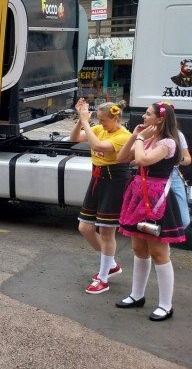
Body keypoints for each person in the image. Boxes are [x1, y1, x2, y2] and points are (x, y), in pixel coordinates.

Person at [116, 101, 186, 321]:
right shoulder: (148, 137)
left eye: (147, 115)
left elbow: (144, 160)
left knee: (159, 252)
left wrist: (139, 139)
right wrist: (135, 135)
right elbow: (122, 159)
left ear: (160, 119)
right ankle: (137, 295)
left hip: (158, 198)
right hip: (140, 195)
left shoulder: (168, 142)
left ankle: (166, 305)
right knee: (138, 247)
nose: (143, 118)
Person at [69, 98, 131, 294]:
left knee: (106, 232)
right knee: (85, 227)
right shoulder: (99, 129)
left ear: (116, 118)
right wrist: (81, 119)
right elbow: (75, 138)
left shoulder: (124, 136)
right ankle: (111, 264)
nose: (101, 123)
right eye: (99, 120)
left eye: (103, 120)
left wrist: (87, 122)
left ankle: (103, 278)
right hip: (97, 178)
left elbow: (99, 146)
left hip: (115, 181)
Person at [169, 132, 191, 229]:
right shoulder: (144, 133)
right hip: (151, 175)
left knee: (183, 220)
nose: (143, 116)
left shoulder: (177, 134)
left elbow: (187, 159)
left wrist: (178, 157)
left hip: (172, 174)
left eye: (149, 115)